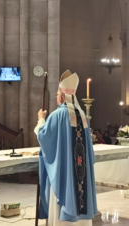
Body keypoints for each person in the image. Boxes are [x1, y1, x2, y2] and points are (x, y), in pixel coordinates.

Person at [34, 70, 97, 224]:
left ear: (61, 96)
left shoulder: (57, 115)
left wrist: (41, 119)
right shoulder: (82, 115)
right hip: (80, 174)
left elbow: (44, 137)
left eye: (57, 94)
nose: (56, 97)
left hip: (64, 175)